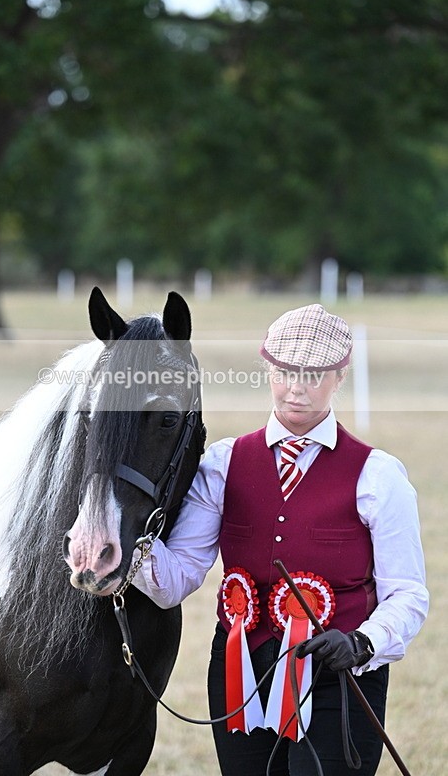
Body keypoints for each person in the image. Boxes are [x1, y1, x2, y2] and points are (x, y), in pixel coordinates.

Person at [133, 303, 428, 776]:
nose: (297, 387)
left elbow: (408, 593)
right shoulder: (222, 464)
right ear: (267, 367)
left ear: (340, 376)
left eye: (314, 374)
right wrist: (128, 543)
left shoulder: (379, 476)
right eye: (286, 371)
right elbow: (178, 576)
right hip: (239, 673)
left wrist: (363, 643)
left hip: (339, 677)